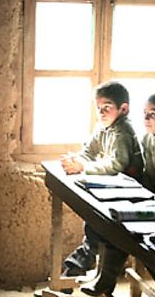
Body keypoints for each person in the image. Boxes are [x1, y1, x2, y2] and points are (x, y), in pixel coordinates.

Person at [82, 92, 155, 297]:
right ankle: (105, 278)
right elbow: (143, 171)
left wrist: (152, 201)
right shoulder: (148, 137)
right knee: (115, 225)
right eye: (144, 113)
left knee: (133, 234)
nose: (146, 119)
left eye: (153, 114)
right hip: (149, 198)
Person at [59, 81, 144, 278]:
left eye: (107, 108)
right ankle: (80, 269)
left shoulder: (123, 131)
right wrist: (75, 161)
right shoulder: (103, 126)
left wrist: (83, 167)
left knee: (99, 227)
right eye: (98, 108)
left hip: (130, 194)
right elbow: (89, 152)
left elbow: (117, 165)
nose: (101, 113)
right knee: (94, 223)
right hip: (110, 189)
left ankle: (77, 268)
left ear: (123, 109)